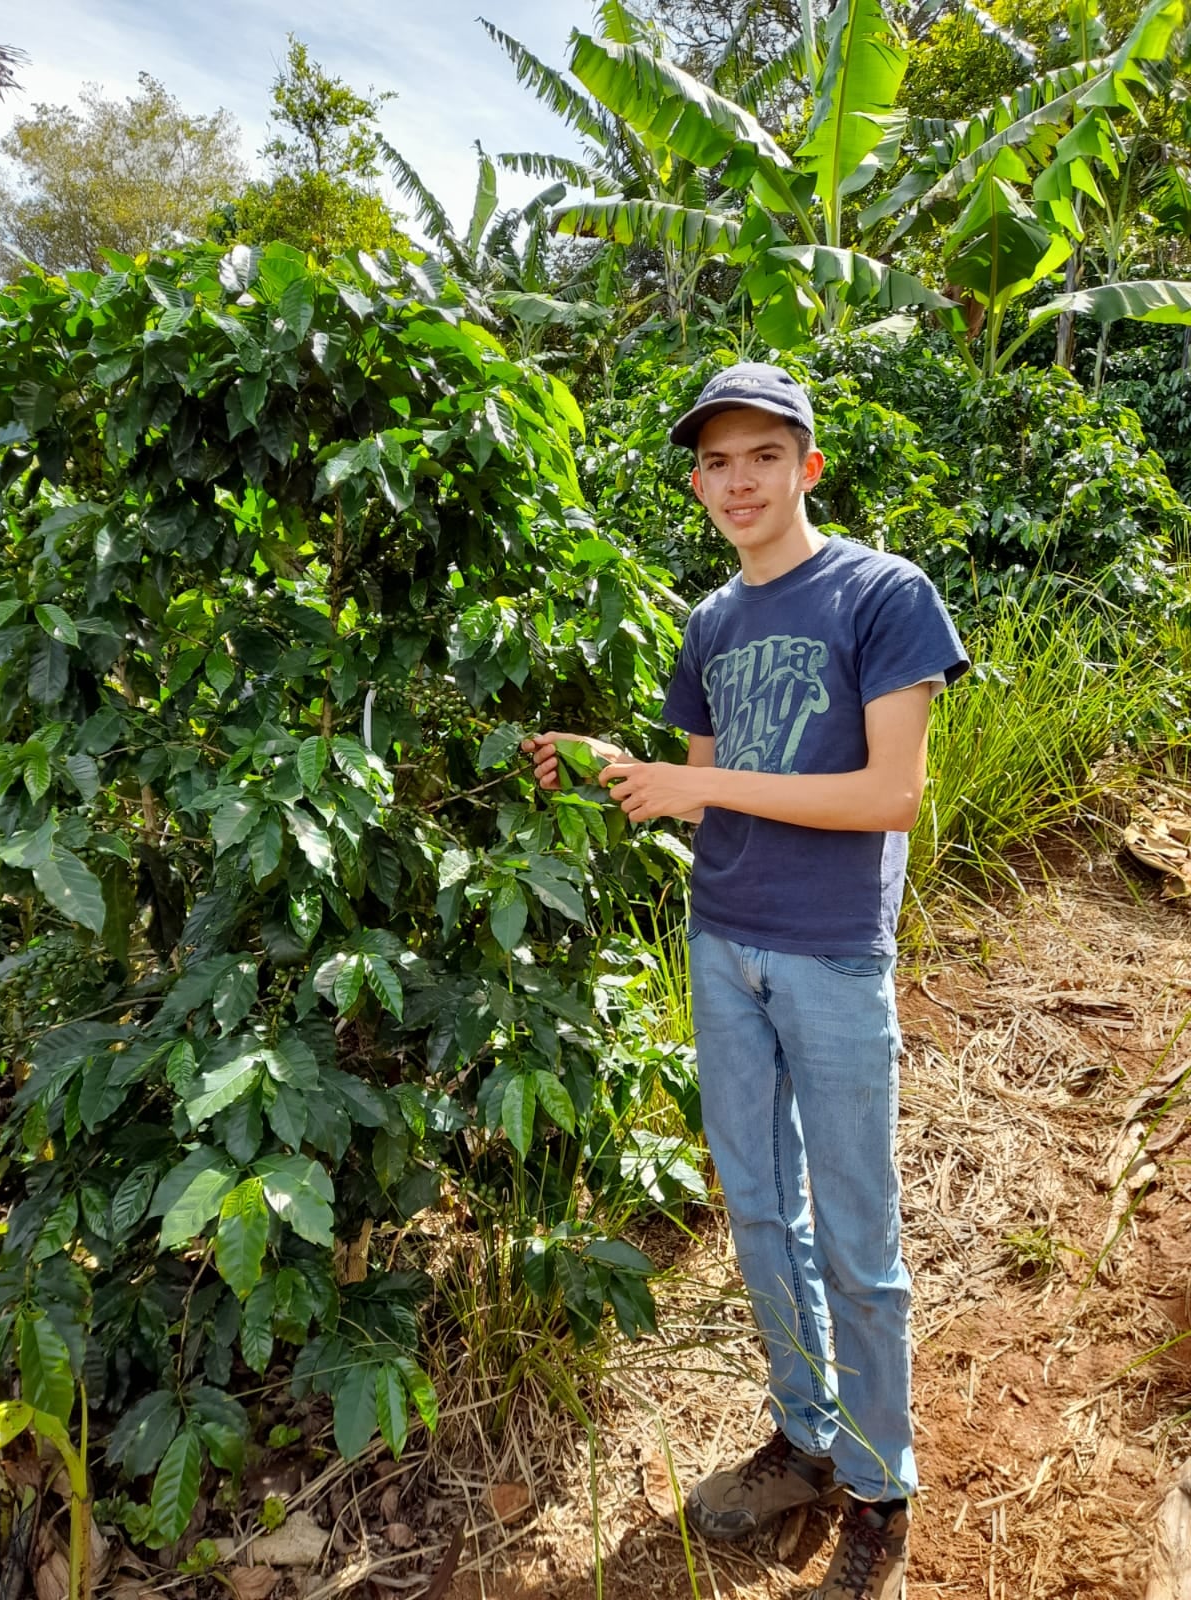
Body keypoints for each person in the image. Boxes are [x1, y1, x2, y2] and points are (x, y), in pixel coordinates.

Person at [524, 362, 968, 1600]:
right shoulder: (711, 623)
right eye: (715, 463)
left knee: (861, 1242)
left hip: (830, 956)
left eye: (760, 456)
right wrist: (616, 765)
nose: (737, 482)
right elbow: (706, 783)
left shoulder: (883, 594)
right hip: (722, 944)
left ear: (807, 466)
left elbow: (889, 795)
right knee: (761, 1217)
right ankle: (804, 1440)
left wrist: (700, 785)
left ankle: (882, 1482)